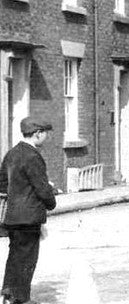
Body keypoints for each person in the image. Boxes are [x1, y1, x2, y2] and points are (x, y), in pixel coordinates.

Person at [0, 118, 58, 304]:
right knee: (27, 259)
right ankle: (21, 299)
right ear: (37, 133)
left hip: (12, 216)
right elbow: (41, 188)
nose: (46, 137)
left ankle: (8, 295)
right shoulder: (33, 156)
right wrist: (51, 199)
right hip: (29, 217)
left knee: (15, 256)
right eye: (45, 133)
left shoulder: (12, 153)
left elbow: (3, 184)